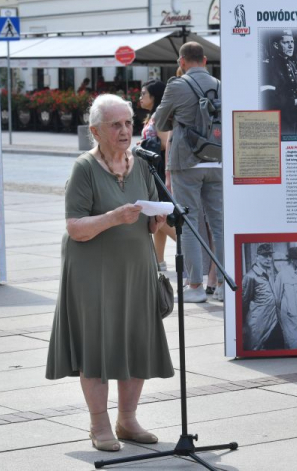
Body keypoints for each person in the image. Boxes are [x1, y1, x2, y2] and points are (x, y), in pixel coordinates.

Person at [45, 94, 174, 452]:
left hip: (136, 270)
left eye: (128, 122)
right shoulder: (84, 168)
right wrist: (113, 217)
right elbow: (75, 227)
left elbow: (148, 223)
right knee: (97, 347)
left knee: (136, 342)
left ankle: (128, 420)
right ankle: (100, 425)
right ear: (95, 131)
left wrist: (156, 222)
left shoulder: (144, 164)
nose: (124, 130)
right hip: (92, 274)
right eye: (115, 124)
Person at [154, 41, 224, 303]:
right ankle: (223, 287)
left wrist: (180, 118)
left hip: (187, 160)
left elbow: (160, 121)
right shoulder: (220, 85)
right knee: (220, 224)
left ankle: (195, 286)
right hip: (217, 159)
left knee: (191, 223)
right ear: (205, 60)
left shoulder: (176, 85)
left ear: (181, 62)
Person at [138, 79, 177, 271]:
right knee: (159, 216)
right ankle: (159, 260)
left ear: (154, 95)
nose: (140, 97)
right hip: (155, 170)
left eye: (143, 93)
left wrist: (146, 145)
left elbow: (164, 143)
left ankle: (190, 250)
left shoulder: (159, 117)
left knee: (159, 214)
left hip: (159, 171)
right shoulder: (154, 115)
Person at [262, 29, 297, 134]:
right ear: (276, 45)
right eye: (286, 42)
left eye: (292, 42)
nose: (291, 46)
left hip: (296, 119)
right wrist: (295, 102)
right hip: (282, 122)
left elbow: (296, 87)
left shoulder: (291, 64)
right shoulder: (269, 67)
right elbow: (269, 98)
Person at [242, 244, 282, 350]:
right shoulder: (250, 276)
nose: (269, 259)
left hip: (273, 322)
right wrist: (243, 326)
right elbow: (243, 303)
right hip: (258, 325)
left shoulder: (268, 273)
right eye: (265, 256)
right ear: (257, 257)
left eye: (270, 256)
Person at [274, 246, 297, 349]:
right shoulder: (282, 275)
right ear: (292, 260)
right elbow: (277, 299)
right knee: (292, 345)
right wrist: (288, 312)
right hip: (289, 320)